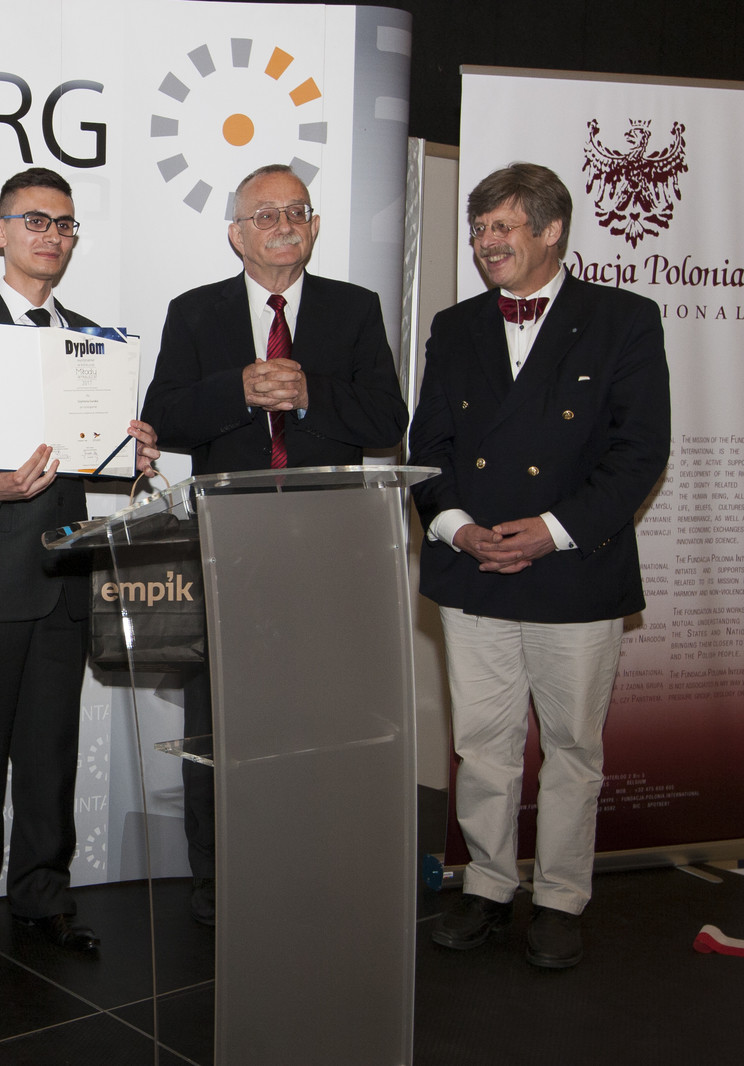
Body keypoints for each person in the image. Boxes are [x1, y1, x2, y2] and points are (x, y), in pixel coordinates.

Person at [411, 162, 670, 968]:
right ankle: (488, 885)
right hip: (475, 568)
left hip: (574, 569)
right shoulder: (456, 326)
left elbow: (639, 451)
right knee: (483, 745)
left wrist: (552, 531)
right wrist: (458, 529)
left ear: (552, 230)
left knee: (571, 748)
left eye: (503, 227)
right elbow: (429, 448)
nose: (486, 242)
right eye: (479, 228)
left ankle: (559, 898)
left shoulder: (624, 319)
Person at [0, 167, 160, 969]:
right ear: (0, 231)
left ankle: (44, 897)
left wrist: (132, 453)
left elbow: (93, 460)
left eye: (65, 224)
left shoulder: (94, 343)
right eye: (36, 220)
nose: (53, 235)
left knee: (49, 759)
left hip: (64, 586)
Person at [140, 162, 408, 925]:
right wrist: (239, 390)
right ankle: (218, 876)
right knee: (218, 722)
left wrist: (314, 392)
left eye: (296, 211)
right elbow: (164, 416)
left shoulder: (355, 309)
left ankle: (311, 865)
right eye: (265, 214)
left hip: (330, 552)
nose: (283, 224)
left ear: (315, 227)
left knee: (320, 718)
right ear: (236, 234)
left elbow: (388, 420)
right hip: (229, 551)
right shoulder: (195, 312)